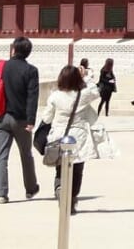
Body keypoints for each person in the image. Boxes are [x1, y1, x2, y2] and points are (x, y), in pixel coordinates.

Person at [40, 64, 99, 212]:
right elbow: (95, 91)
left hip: (59, 135)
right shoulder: (82, 95)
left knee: (60, 167)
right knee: (77, 168)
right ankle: (71, 198)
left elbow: (46, 118)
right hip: (78, 136)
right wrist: (87, 77)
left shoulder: (55, 96)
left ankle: (60, 188)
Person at [0, 36, 41, 204]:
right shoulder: (31, 71)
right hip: (21, 120)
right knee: (26, 154)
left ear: (13, 50)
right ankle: (30, 189)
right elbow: (32, 97)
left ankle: (2, 194)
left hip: (1, 118)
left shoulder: (1, 67)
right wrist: (31, 120)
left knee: (1, 156)